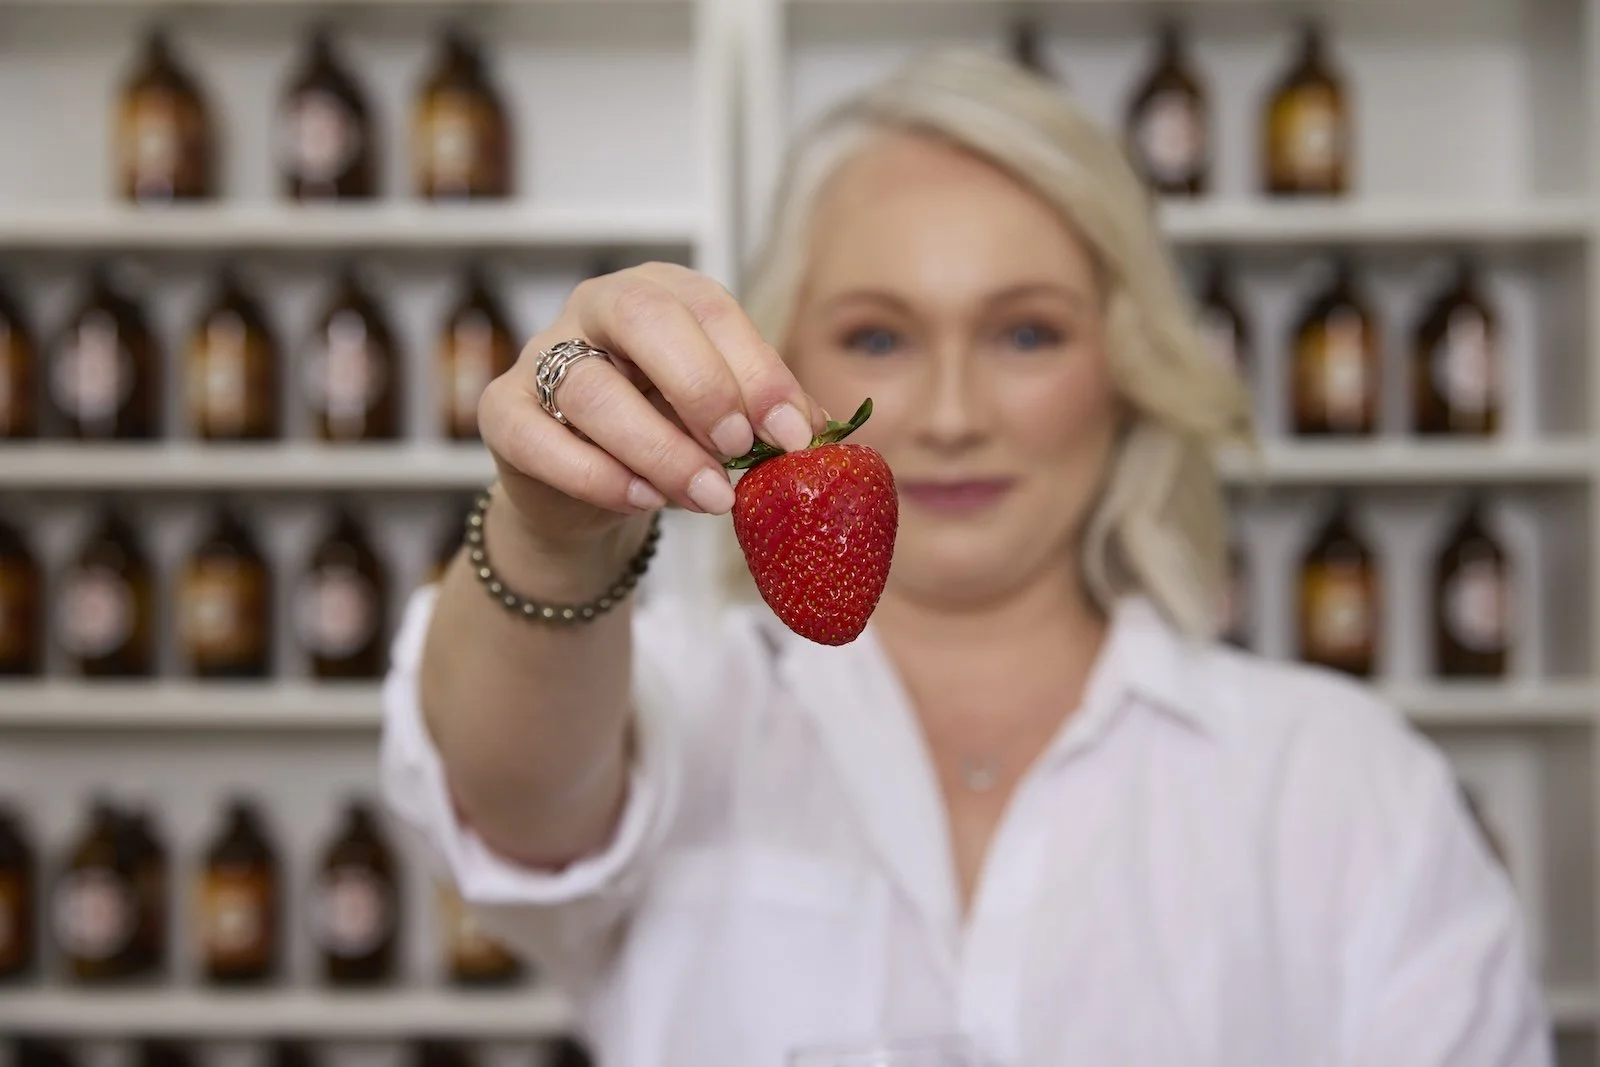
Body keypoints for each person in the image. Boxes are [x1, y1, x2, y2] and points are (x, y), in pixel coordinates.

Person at [379, 48, 1551, 1067]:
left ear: (1128, 361)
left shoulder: (1343, 782)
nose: (945, 412)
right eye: (878, 333)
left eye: (1025, 331)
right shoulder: (683, 700)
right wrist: (551, 531)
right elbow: (519, 796)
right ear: (776, 356)